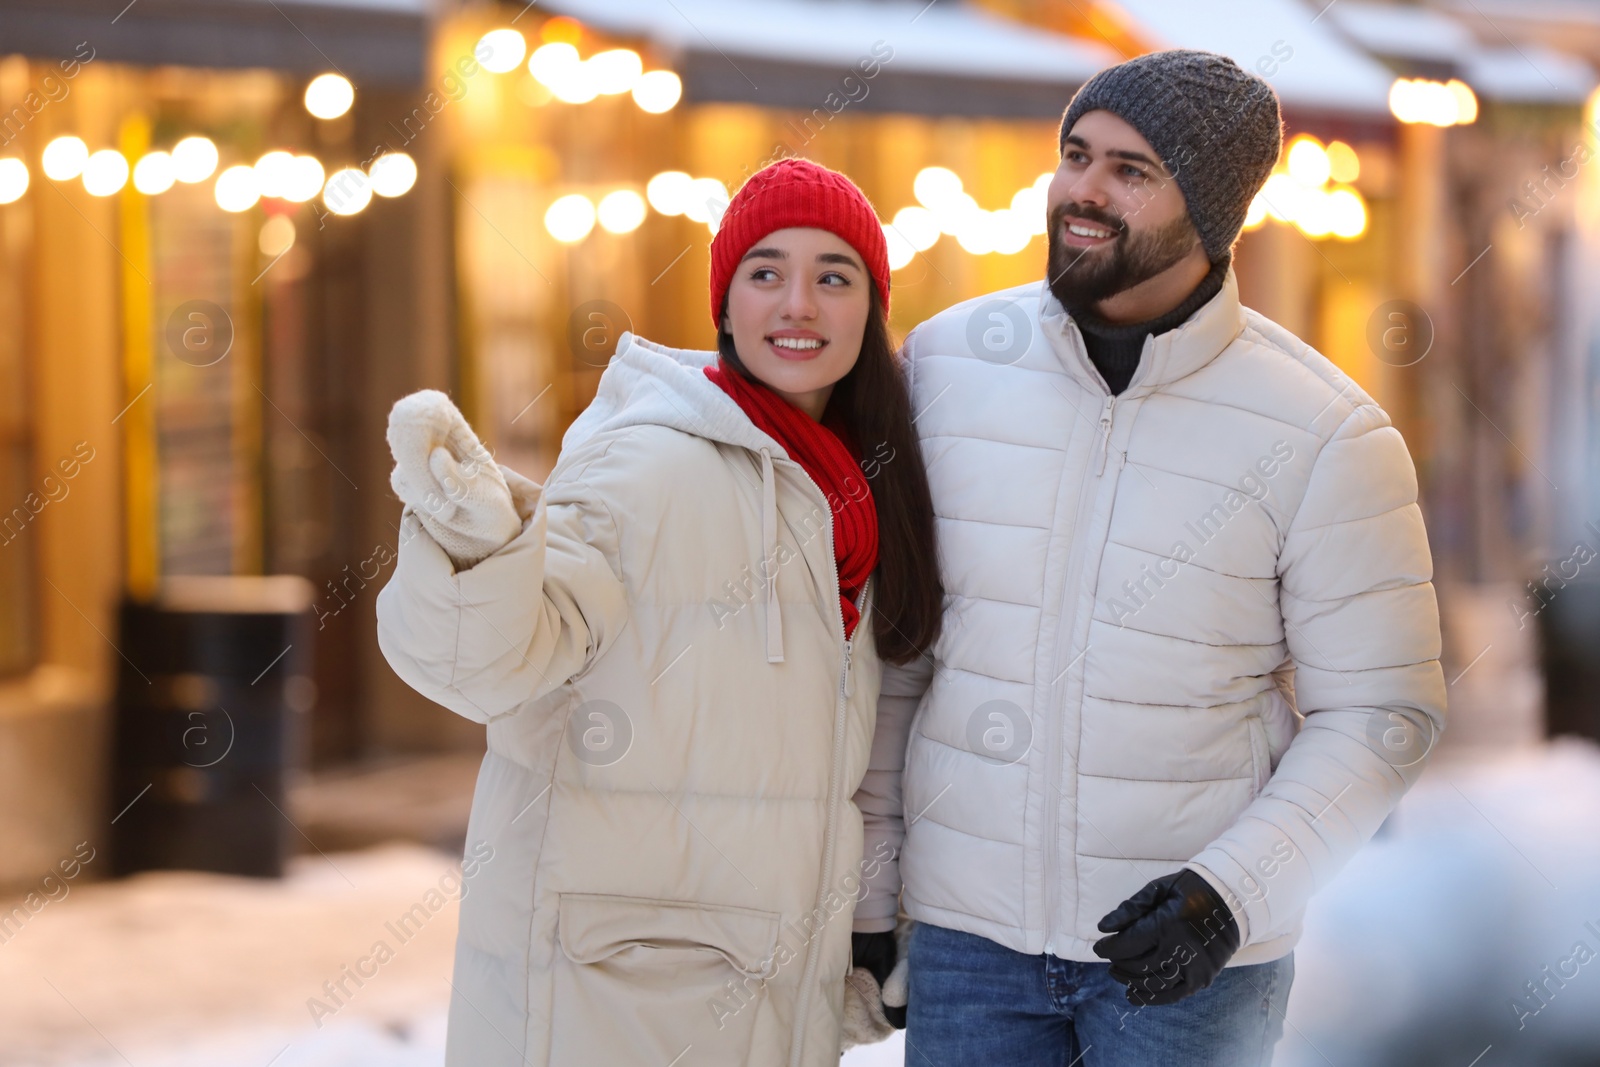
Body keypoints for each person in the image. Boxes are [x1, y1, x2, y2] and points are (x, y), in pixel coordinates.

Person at [862, 50, 1448, 1065]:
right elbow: (896, 658)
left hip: (1189, 968)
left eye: (1131, 170)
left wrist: (1228, 893)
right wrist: (871, 889)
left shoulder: (1322, 432)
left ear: (1210, 214)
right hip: (969, 943)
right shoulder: (951, 367)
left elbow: (1383, 714)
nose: (1083, 190)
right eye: (1076, 155)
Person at [374, 158, 941, 1066]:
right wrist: (476, 547)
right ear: (725, 304)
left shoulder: (857, 495)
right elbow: (490, 664)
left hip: (752, 986)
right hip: (610, 992)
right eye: (766, 273)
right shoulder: (645, 464)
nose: (798, 303)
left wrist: (859, 928)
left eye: (833, 277)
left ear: (870, 309)